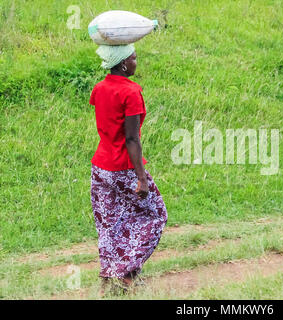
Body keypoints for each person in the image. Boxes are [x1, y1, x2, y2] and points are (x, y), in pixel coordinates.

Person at [89, 44, 168, 295]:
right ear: (123, 63)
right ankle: (126, 273)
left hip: (101, 167)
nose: (136, 62)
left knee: (109, 220)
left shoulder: (99, 89)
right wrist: (141, 179)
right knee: (155, 214)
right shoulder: (131, 92)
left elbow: (107, 127)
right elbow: (131, 139)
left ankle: (109, 275)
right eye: (134, 58)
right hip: (123, 167)